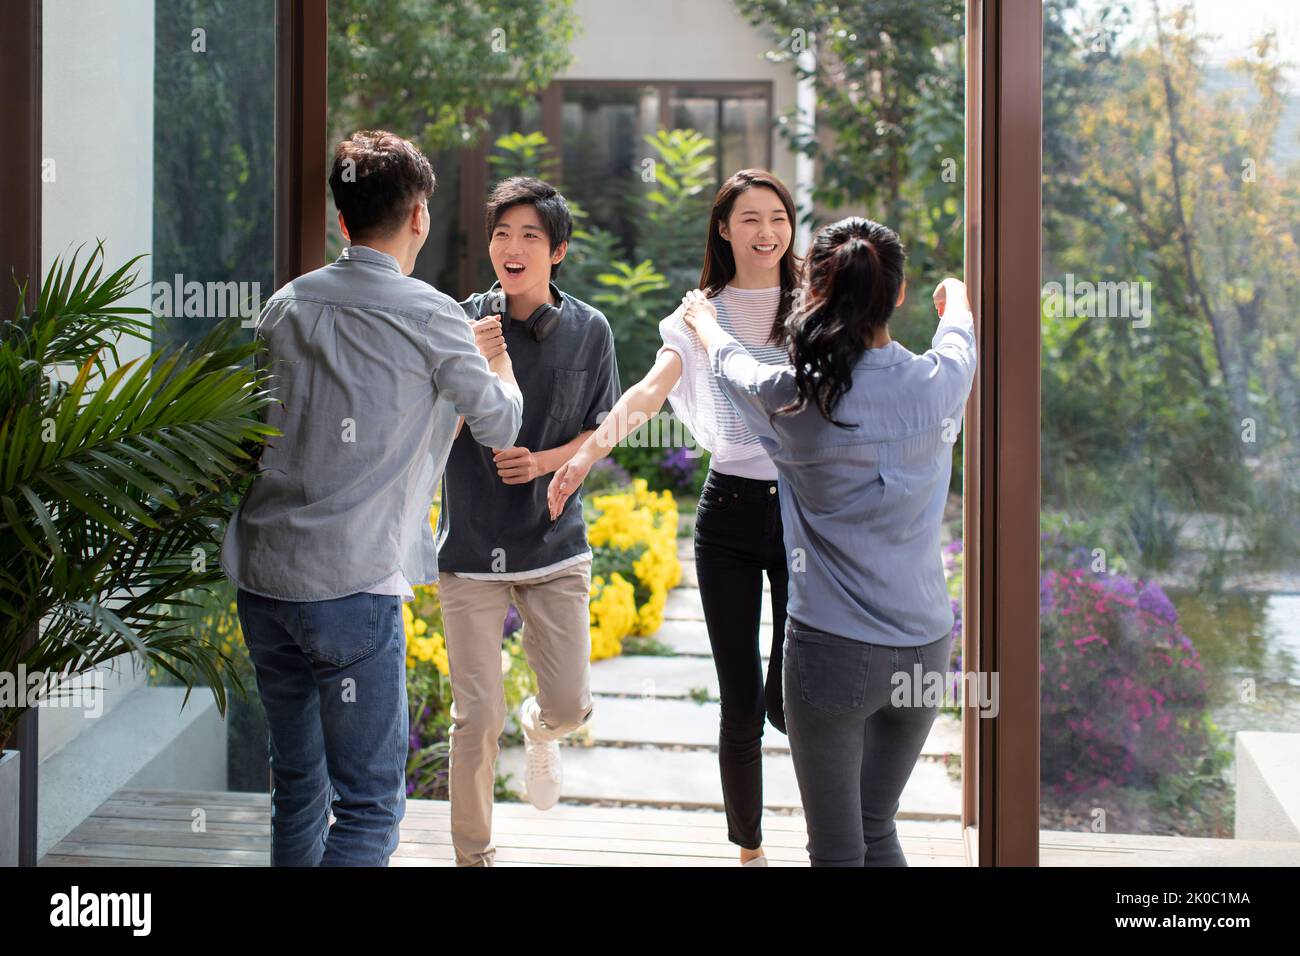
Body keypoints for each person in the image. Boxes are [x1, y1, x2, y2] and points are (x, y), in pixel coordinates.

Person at [221, 130, 523, 866]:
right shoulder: (429, 315)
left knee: (297, 788)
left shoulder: (285, 306)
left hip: (265, 578)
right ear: (418, 215)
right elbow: (501, 424)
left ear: (342, 217)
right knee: (368, 809)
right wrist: (498, 364)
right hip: (351, 586)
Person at [678, 216, 977, 867]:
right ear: (897, 295)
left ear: (813, 295)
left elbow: (730, 364)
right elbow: (960, 323)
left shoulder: (794, 396)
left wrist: (703, 322)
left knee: (839, 847)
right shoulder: (943, 381)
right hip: (925, 649)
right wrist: (953, 290)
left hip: (832, 657)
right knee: (878, 828)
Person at [548, 169, 800, 866]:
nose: (766, 231)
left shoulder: (812, 302)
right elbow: (651, 394)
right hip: (728, 518)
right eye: (750, 218)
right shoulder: (700, 314)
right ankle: (749, 848)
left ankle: (829, 831)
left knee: (792, 699)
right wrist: (587, 454)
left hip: (805, 521)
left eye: (777, 216)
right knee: (741, 700)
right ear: (724, 229)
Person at [435, 176, 621, 867]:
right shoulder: (456, 321)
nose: (511, 248)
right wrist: (481, 363)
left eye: (529, 237)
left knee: (570, 706)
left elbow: (602, 431)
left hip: (554, 547)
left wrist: (543, 462)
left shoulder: (590, 331)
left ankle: (541, 734)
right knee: (474, 719)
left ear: (558, 251)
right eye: (501, 234)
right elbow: (430, 427)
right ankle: (472, 854)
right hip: (470, 551)